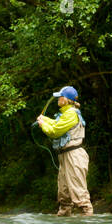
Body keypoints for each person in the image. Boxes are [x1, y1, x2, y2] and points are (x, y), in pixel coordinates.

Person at [36, 85, 93, 216]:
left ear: (66, 99)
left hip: (74, 155)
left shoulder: (71, 114)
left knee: (80, 196)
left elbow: (55, 131)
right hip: (65, 156)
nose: (58, 99)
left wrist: (42, 124)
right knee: (64, 196)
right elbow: (57, 124)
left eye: (60, 97)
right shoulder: (66, 114)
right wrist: (44, 119)